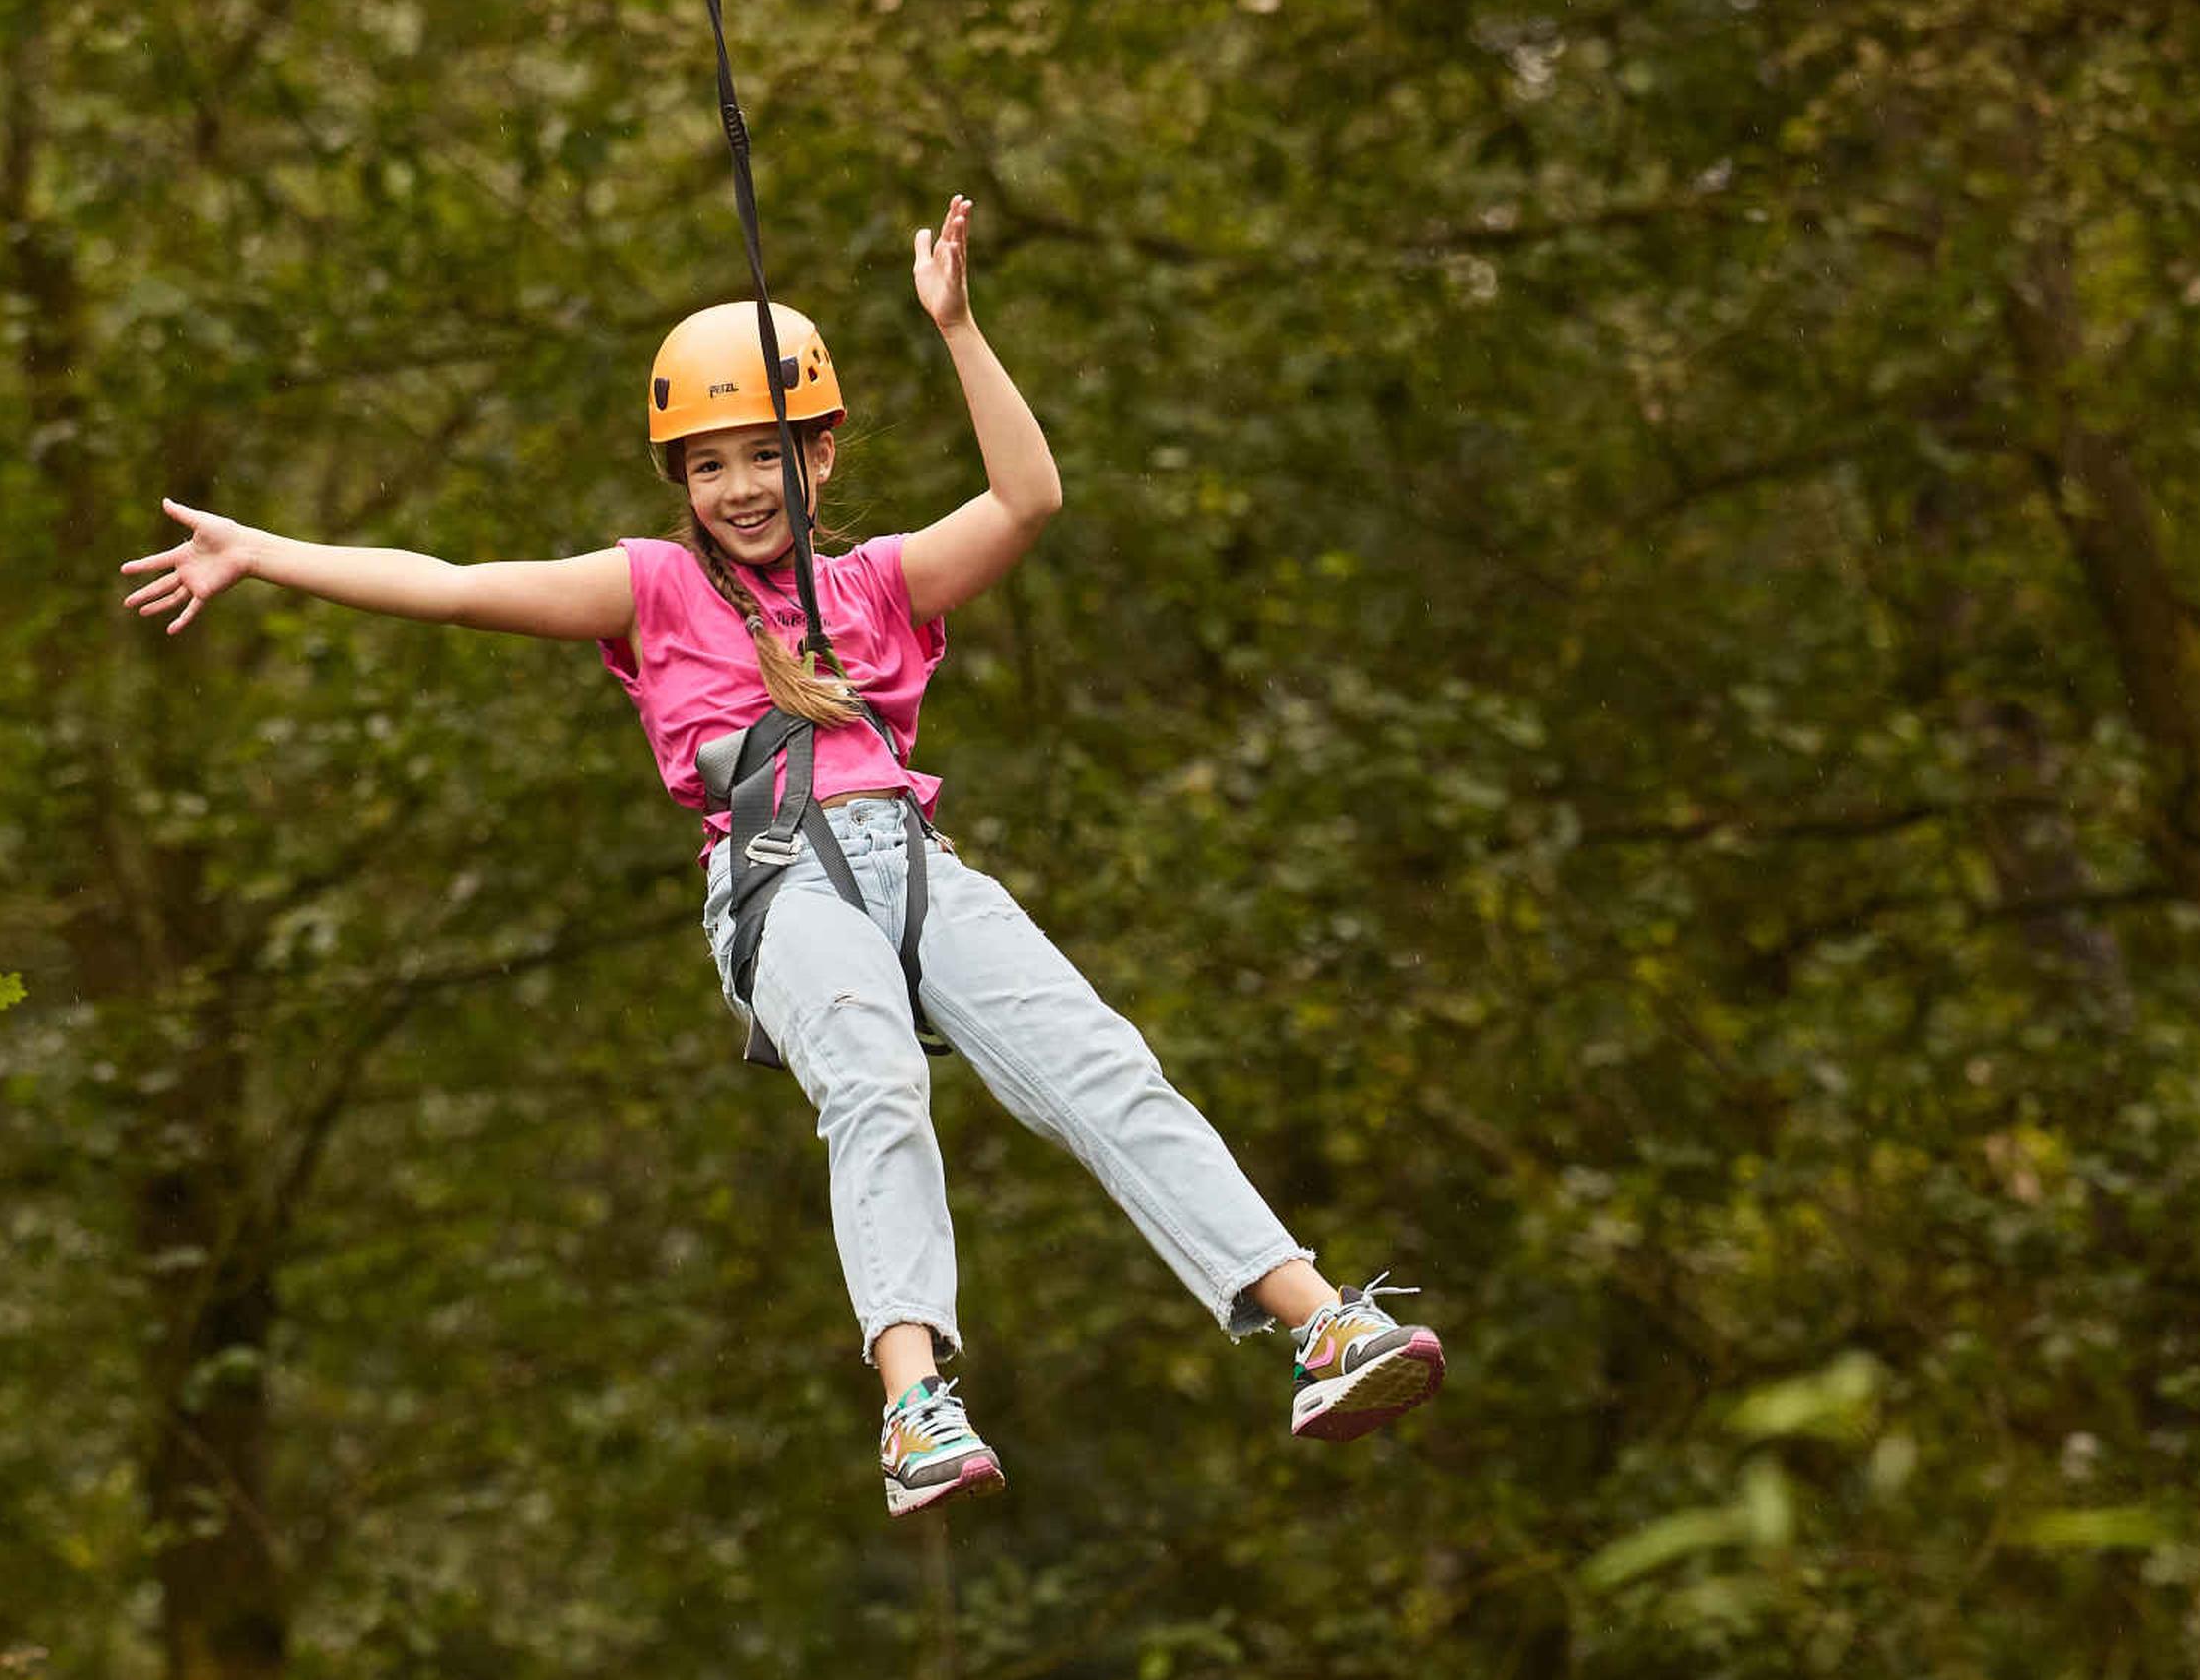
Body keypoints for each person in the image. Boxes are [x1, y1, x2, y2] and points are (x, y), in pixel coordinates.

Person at [119, 197, 1445, 1515]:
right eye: (708, 466)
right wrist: (262, 553)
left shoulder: (875, 585)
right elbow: (457, 585)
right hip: (778, 877)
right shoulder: (652, 588)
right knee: (875, 1080)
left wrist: (959, 328)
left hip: (913, 863)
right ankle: (914, 1405)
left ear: (819, 454)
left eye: (765, 454)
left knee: (1102, 1063)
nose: (741, 487)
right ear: (681, 485)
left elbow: (1028, 498)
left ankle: (1318, 1324)